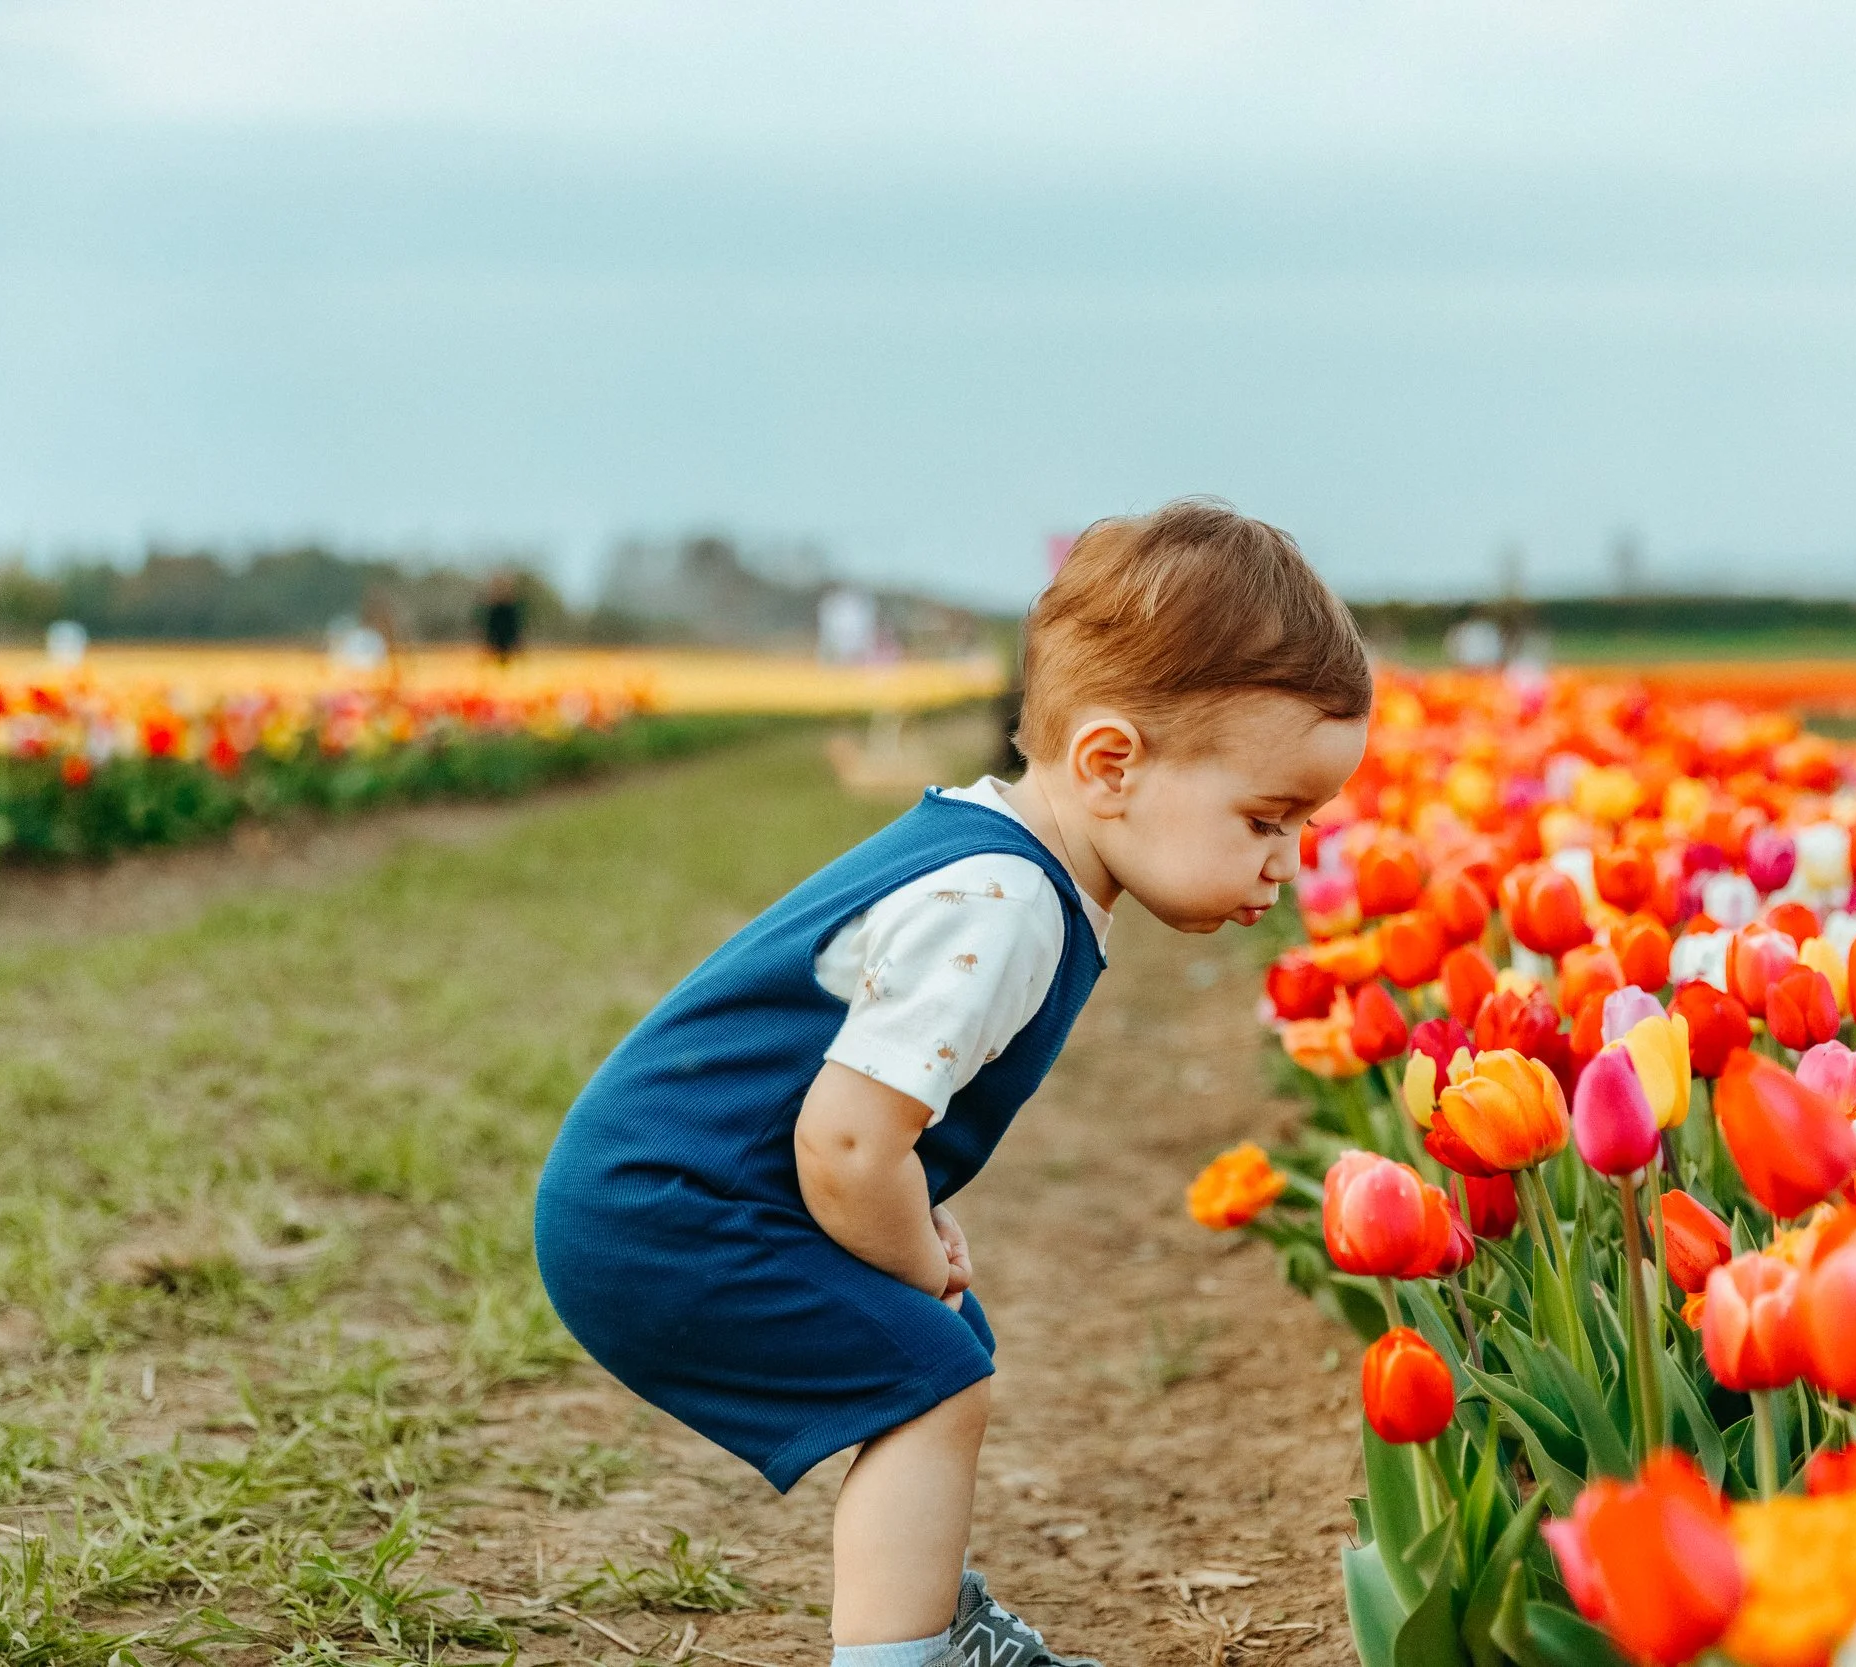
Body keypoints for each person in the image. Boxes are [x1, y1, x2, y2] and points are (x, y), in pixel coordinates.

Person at [533, 500, 1372, 1667]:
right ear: (1111, 763)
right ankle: (905, 1655)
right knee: (932, 1378)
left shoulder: (993, 855)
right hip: (662, 1212)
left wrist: (914, 1223)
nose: (1287, 858)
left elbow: (848, 1118)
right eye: (1266, 817)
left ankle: (927, 1619)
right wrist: (915, 1249)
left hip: (667, 1189)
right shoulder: (1002, 899)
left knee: (937, 1353)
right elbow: (842, 1144)